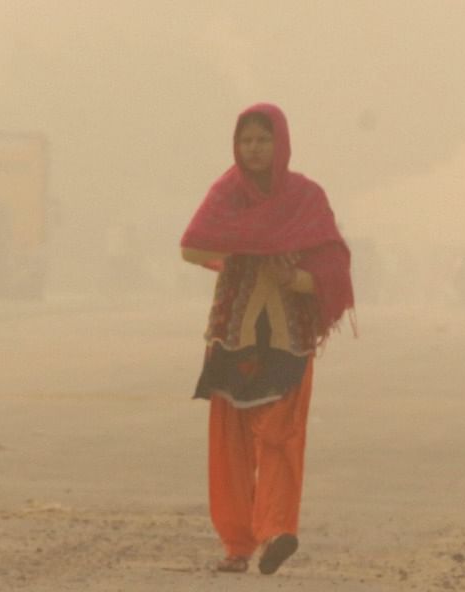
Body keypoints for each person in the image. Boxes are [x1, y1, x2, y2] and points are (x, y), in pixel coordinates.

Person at [180, 103, 354, 576]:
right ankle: (236, 544)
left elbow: (333, 268)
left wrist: (294, 277)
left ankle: (276, 531)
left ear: (281, 144)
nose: (253, 149)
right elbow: (192, 245)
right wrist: (251, 239)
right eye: (246, 140)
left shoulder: (306, 198)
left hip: (288, 338)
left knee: (282, 435)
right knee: (229, 443)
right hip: (232, 334)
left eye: (263, 139)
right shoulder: (226, 195)